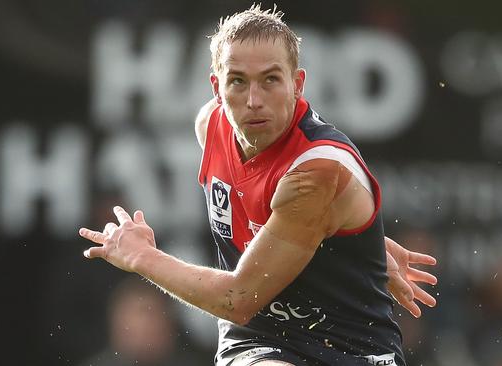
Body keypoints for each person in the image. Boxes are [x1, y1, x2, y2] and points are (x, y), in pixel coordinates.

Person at [79, 5, 438, 366]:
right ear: (217, 87)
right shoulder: (210, 126)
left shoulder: (315, 171)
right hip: (259, 341)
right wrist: (362, 245)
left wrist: (142, 256)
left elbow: (237, 299)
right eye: (238, 81)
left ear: (297, 84)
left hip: (353, 351)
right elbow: (276, 214)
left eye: (270, 80)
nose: (254, 101)